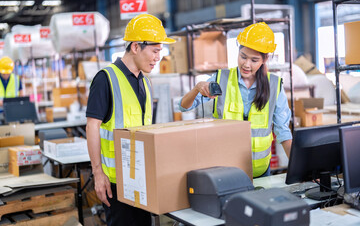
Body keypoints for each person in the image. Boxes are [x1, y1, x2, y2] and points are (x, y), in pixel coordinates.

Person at [86, 14, 175, 226]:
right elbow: (92, 127)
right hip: (116, 182)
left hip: (140, 179)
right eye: (154, 51)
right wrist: (98, 174)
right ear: (135, 47)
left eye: (160, 51)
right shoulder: (105, 78)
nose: (158, 57)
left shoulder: (145, 82)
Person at [180, 22, 292, 178]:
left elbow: (284, 133)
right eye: (243, 57)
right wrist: (197, 88)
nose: (246, 64)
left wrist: (301, 170)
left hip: (261, 172)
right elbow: (184, 107)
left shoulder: (274, 85)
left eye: (254, 60)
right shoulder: (221, 79)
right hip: (226, 172)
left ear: (264, 60)